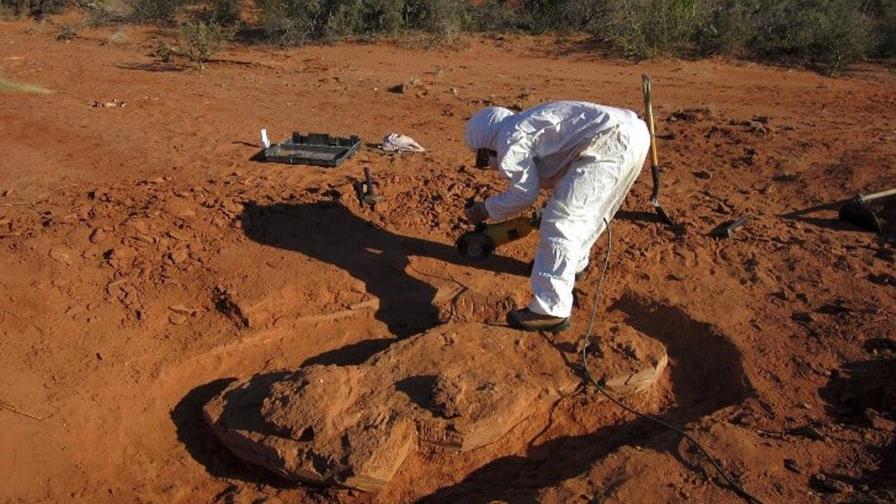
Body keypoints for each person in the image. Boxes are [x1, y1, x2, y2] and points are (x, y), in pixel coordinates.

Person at [463, 101, 650, 332]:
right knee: (587, 213)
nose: (486, 165)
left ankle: (550, 309)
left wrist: (485, 209)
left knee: (561, 220)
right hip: (633, 134)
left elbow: (523, 194)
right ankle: (573, 265)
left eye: (483, 159)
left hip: (611, 141)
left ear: (487, 143)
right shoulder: (521, 126)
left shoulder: (508, 138)